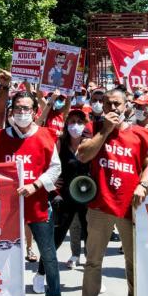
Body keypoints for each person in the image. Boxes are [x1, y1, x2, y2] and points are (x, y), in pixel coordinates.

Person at [0, 91, 64, 296]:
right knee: (5, 257)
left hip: (37, 205)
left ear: (36, 111)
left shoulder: (47, 136)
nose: (22, 112)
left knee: (48, 255)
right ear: (11, 110)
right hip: (7, 209)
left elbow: (55, 168)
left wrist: (36, 185)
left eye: (27, 108)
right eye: (18, 108)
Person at [77, 88, 148, 296]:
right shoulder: (92, 128)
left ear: (127, 106)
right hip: (100, 204)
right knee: (93, 260)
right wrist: (105, 131)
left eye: (117, 104)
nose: (113, 108)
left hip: (130, 204)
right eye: (108, 104)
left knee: (133, 260)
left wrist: (143, 183)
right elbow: (83, 155)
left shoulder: (140, 134)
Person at [51, 108, 91, 270]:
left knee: (90, 237)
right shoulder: (60, 143)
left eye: (80, 122)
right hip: (66, 197)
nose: (76, 125)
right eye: (72, 121)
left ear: (85, 125)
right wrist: (52, 182)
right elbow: (48, 165)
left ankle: (92, 274)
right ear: (66, 123)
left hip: (86, 196)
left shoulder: (89, 144)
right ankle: (41, 273)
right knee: (58, 236)